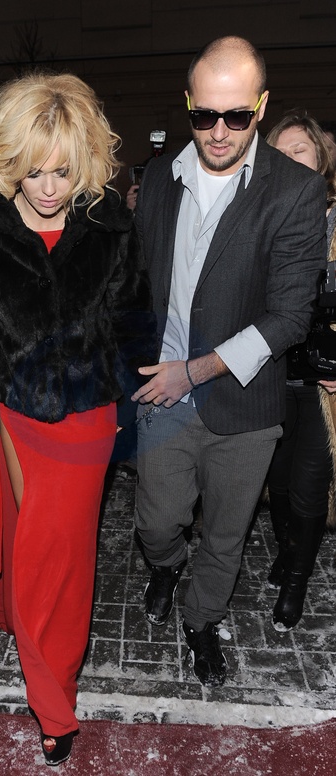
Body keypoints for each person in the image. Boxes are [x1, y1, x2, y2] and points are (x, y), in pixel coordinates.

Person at [0, 71, 154, 766]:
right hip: (16, 410)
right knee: (26, 538)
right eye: (32, 171)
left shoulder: (108, 224)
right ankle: (19, 622)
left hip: (87, 415)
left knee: (58, 558)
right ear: (8, 160)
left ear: (84, 159)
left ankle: (53, 699)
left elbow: (133, 318)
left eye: (63, 170)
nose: (49, 188)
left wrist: (126, 392)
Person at [130, 36, 327, 688]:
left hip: (245, 402)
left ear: (261, 106)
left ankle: (201, 619)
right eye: (204, 114)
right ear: (188, 103)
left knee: (225, 535)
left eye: (237, 115)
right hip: (163, 394)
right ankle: (165, 566)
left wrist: (196, 369)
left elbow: (289, 316)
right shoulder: (160, 178)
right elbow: (140, 281)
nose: (219, 131)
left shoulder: (295, 190)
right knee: (157, 523)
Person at [265, 109, 336, 631]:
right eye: (280, 153)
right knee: (279, 482)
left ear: (320, 158)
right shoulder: (261, 220)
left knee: (310, 484)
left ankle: (295, 581)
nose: (290, 160)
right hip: (270, 373)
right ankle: (289, 549)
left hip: (322, 384)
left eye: (300, 150)